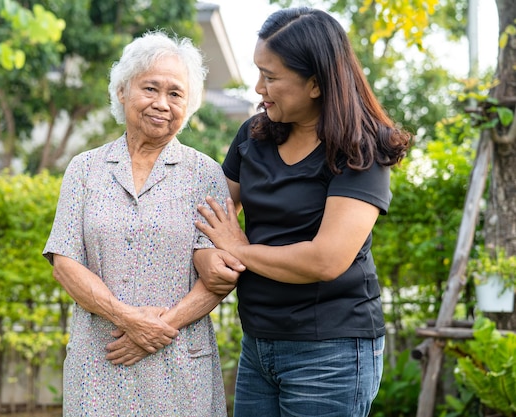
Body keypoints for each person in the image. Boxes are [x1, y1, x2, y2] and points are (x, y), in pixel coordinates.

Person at [193, 7, 413, 417]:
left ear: (316, 83)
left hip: (331, 351)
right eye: (259, 72)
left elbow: (326, 258)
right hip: (258, 343)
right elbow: (210, 218)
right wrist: (207, 253)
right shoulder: (253, 136)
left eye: (271, 77)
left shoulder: (360, 150)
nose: (259, 87)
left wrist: (238, 249)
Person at [42, 30, 240, 416]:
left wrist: (155, 332)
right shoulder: (85, 169)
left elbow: (219, 275)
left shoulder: (206, 174)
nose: (162, 103)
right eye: (150, 88)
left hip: (180, 361)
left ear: (191, 104)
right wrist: (128, 319)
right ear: (122, 91)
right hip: (102, 357)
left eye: (176, 93)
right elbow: (64, 263)